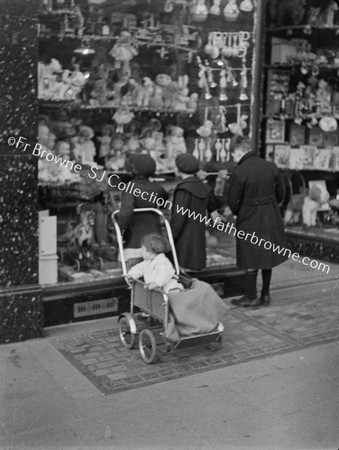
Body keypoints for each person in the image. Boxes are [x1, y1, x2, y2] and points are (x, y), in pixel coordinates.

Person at [227, 136, 288, 308]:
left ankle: (251, 296)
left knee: (251, 256)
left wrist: (239, 212)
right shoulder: (270, 166)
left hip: (250, 216)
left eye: (233, 155)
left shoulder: (240, 171)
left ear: (239, 151)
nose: (233, 158)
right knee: (267, 254)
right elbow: (281, 193)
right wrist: (272, 206)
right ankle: (266, 295)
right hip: (271, 214)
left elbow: (233, 201)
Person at [117, 154, 169, 269]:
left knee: (134, 273)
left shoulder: (130, 187)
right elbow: (166, 200)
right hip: (155, 239)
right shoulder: (157, 188)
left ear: (132, 169)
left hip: (134, 241)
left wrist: (120, 229)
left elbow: (126, 213)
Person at [170, 153, 217, 271]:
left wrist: (171, 237)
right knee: (195, 268)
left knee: (183, 269)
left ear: (179, 170)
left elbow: (178, 217)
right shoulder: (204, 187)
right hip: (199, 233)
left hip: (184, 236)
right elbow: (212, 208)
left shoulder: (183, 189)